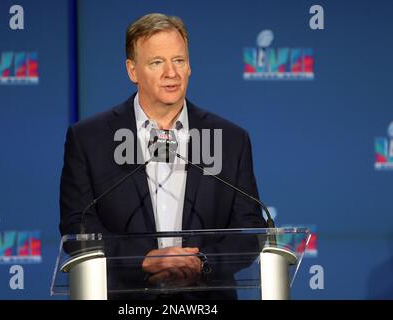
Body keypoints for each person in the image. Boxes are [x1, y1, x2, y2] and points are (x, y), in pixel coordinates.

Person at [59, 13, 267, 299]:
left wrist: (202, 262)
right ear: (132, 71)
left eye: (179, 60)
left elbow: (250, 229)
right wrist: (142, 260)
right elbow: (78, 227)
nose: (172, 73)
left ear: (190, 66)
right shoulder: (89, 139)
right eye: (157, 62)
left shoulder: (230, 139)